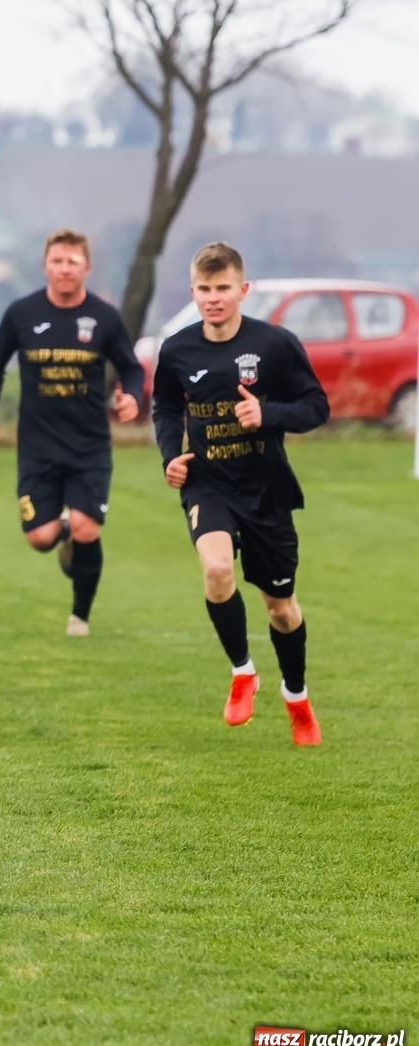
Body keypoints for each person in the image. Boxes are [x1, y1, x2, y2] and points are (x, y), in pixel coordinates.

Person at [153, 242, 328, 744]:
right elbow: (165, 406)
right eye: (204, 290)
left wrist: (268, 415)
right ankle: (242, 672)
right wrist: (171, 455)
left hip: (266, 490)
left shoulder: (275, 344)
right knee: (216, 568)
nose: (213, 298)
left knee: (281, 608)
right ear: (193, 292)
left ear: (242, 290)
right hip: (208, 483)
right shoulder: (178, 349)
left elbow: (317, 406)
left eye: (223, 289)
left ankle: (296, 696)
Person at [0, 228, 145, 636]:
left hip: (89, 445)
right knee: (40, 537)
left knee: (89, 529)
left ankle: (80, 616)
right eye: (57, 261)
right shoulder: (21, 314)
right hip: (37, 448)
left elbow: (132, 367)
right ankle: (62, 531)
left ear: (86, 267)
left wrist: (133, 397)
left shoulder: (104, 318)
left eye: (72, 262)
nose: (64, 269)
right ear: (44, 265)